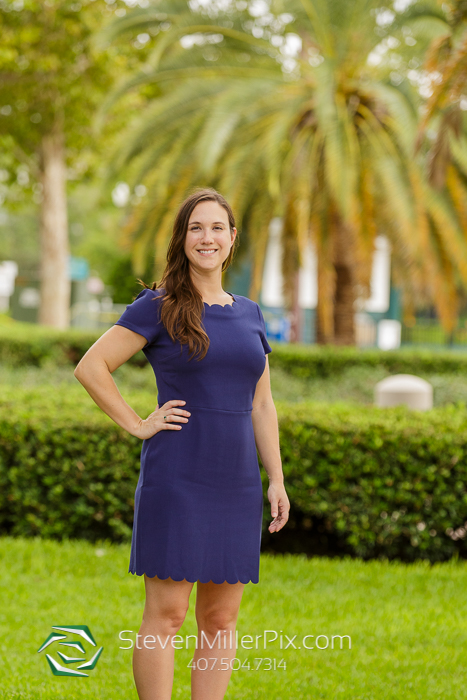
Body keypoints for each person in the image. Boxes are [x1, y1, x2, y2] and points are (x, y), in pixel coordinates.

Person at [74, 187, 290, 700]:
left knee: (221, 617)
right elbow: (92, 367)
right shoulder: (160, 306)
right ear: (183, 238)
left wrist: (276, 477)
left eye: (217, 228)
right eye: (196, 228)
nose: (207, 237)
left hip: (236, 482)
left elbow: (262, 404)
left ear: (233, 239)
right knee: (167, 616)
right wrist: (137, 422)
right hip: (178, 479)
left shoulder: (251, 313)